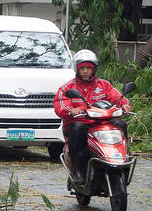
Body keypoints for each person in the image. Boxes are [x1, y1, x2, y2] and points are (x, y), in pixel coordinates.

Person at [52, 50, 130, 185]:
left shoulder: (103, 85)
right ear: (77, 69)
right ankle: (77, 169)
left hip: (101, 123)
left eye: (88, 68)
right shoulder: (68, 88)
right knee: (77, 128)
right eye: (82, 68)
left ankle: (124, 159)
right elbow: (60, 105)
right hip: (81, 124)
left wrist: (125, 105)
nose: (86, 71)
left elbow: (117, 97)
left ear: (93, 69)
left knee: (120, 125)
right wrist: (72, 110)